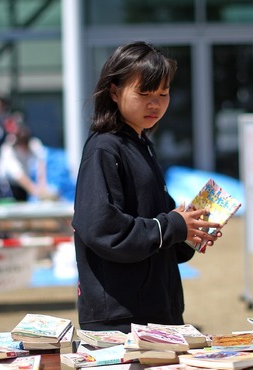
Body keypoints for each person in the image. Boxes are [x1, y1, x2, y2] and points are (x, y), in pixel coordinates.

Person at [72, 41, 223, 333]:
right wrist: (172, 225)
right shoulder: (105, 148)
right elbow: (102, 229)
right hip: (121, 315)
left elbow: (161, 224)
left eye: (163, 94)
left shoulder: (140, 144)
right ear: (114, 92)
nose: (155, 104)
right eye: (144, 93)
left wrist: (190, 230)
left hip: (155, 306)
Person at [0, 122, 54, 202]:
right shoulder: (8, 151)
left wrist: (42, 185)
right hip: (7, 189)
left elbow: (41, 162)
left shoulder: (33, 145)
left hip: (23, 190)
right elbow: (19, 176)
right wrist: (38, 192)